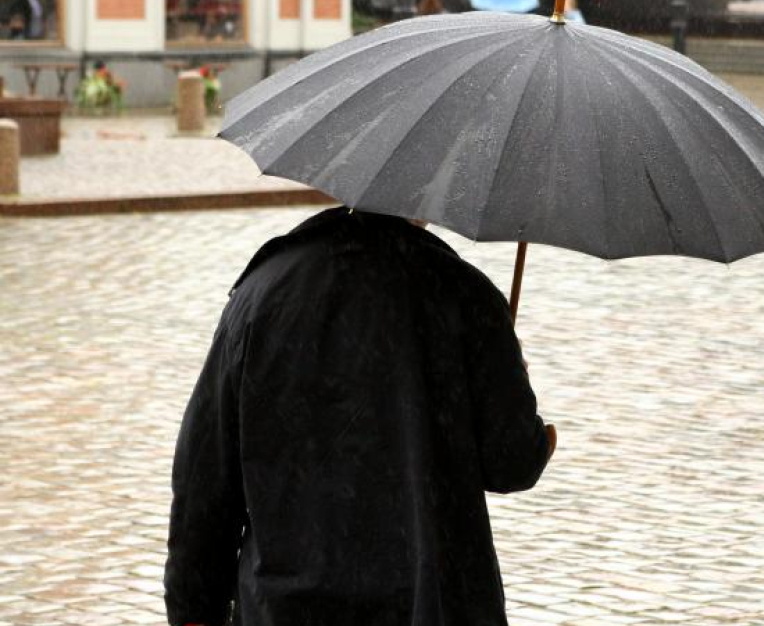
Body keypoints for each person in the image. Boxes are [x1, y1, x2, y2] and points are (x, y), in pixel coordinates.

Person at [165, 207, 556, 626]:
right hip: (430, 602)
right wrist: (522, 401)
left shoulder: (259, 294)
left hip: (283, 606)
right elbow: (512, 461)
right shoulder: (466, 295)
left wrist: (194, 612)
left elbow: (205, 480)